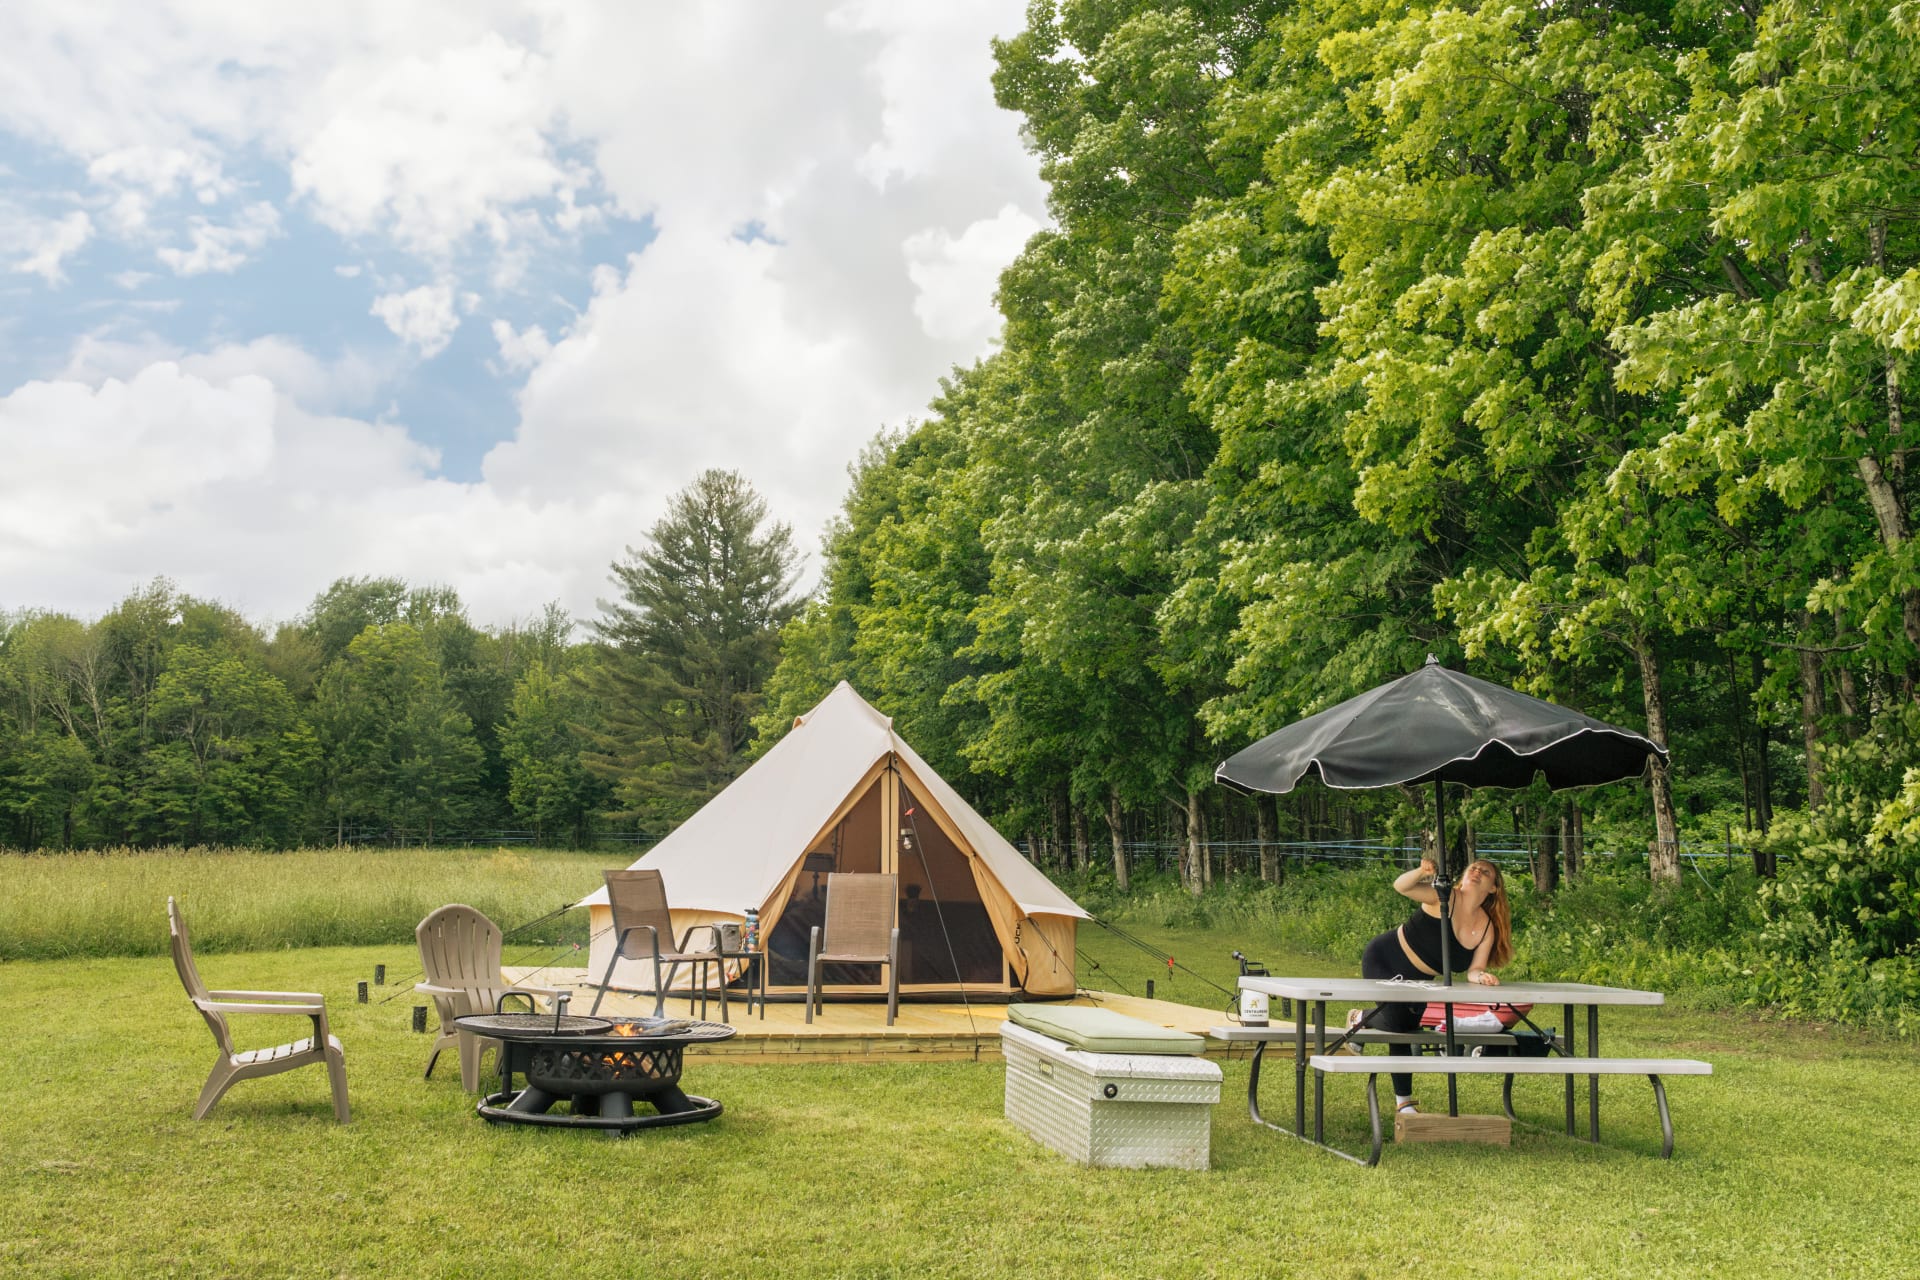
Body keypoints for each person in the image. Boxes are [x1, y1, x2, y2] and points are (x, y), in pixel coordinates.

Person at [1355, 856, 1513, 1116]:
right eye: (1472, 867)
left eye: (1485, 872)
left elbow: (1473, 970)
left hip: (1419, 982)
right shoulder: (1445, 898)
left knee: (1406, 1026)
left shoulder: (1486, 927)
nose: (1476, 871)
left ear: (1493, 888)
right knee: (1399, 1026)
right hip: (1385, 959)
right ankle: (1403, 1101)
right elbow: (1401, 886)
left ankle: (1363, 1019)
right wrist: (1421, 871)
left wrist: (1483, 977)